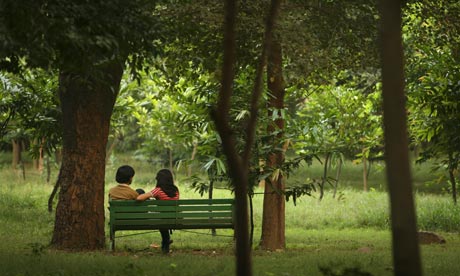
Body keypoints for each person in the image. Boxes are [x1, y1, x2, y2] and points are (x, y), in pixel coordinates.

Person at [137, 169, 179, 254]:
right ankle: (165, 243)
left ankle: (165, 243)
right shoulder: (176, 190)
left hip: (162, 219)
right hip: (174, 217)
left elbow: (139, 198)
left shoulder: (158, 190)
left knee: (162, 219)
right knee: (164, 218)